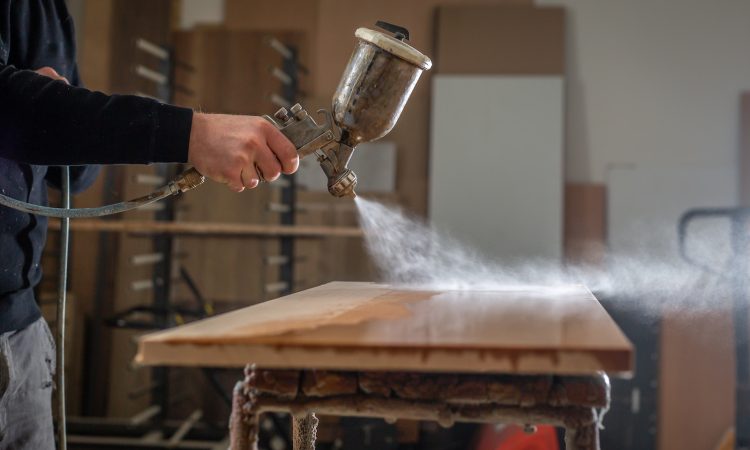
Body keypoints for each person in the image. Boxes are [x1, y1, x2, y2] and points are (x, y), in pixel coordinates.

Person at [0, 1, 298, 447]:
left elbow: (78, 174)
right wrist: (192, 134)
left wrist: (60, 111)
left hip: (21, 327)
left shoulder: (52, 13)